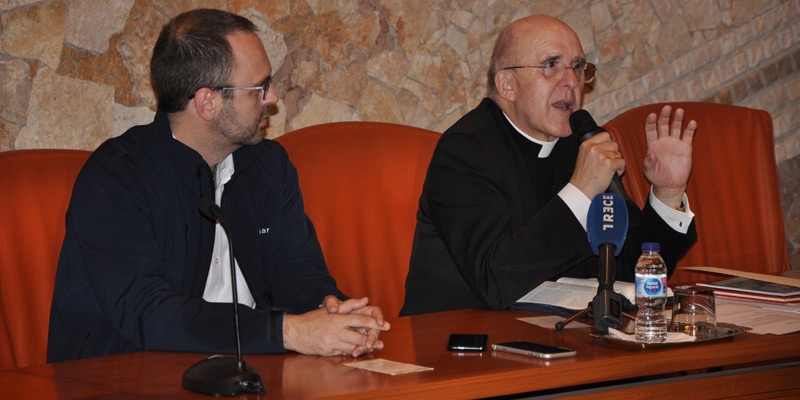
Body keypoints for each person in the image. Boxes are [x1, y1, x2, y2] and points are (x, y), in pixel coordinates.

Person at [47, 8, 389, 363]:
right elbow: (149, 314)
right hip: (127, 378)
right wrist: (288, 331)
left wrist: (329, 309)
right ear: (207, 102)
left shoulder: (268, 166)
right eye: (258, 88)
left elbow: (298, 273)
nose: (272, 97)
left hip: (252, 372)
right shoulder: (115, 179)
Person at [400, 15, 698, 316]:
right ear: (507, 84)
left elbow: (629, 271)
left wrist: (668, 193)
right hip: (462, 337)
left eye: (578, 67)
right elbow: (494, 281)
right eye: (550, 65)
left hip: (561, 335)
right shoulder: (464, 152)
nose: (572, 81)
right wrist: (580, 192)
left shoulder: (578, 145)